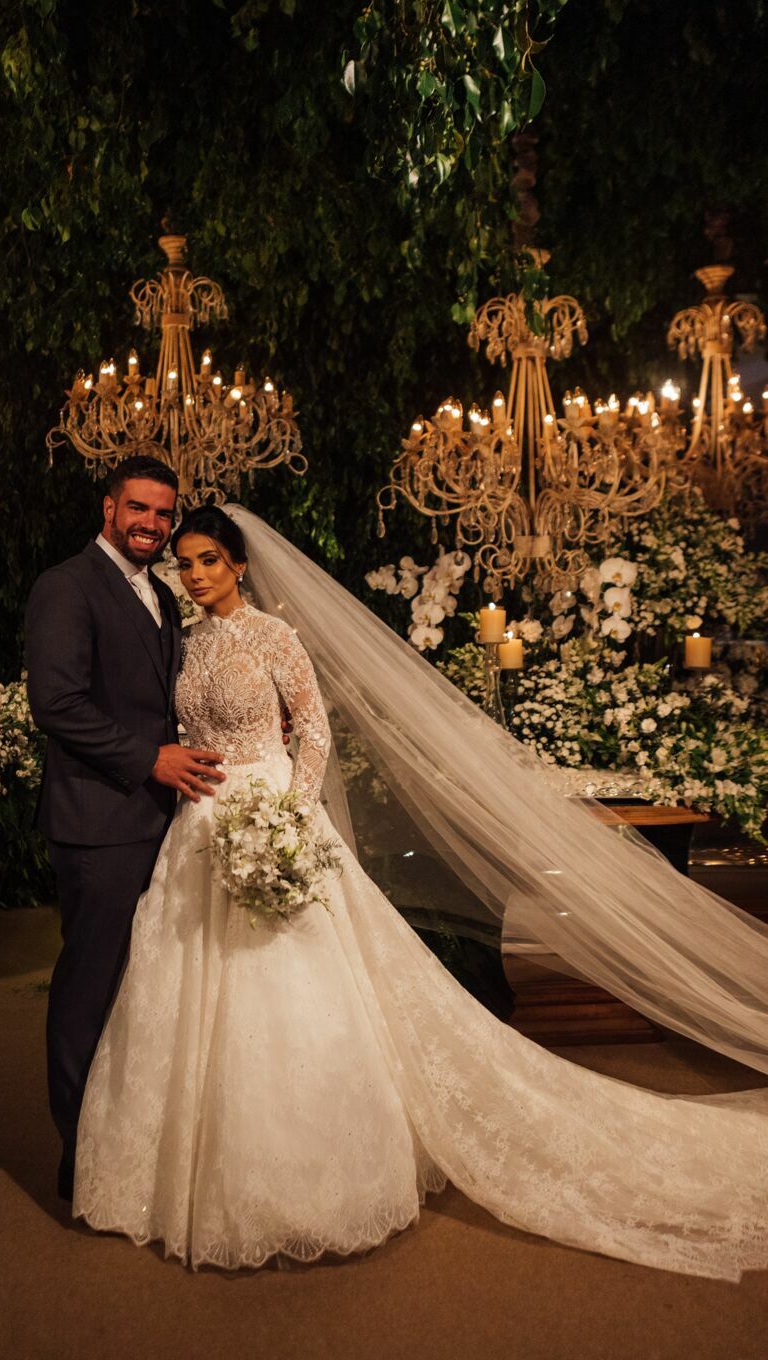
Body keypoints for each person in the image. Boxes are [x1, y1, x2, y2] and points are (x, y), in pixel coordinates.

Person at [72, 504, 768, 1279]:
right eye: (185, 563)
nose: (195, 575)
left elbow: (315, 732)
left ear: (238, 563)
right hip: (196, 824)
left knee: (291, 990)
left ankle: (310, 1183)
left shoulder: (274, 636)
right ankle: (185, 1179)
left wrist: (287, 821)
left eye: (208, 560)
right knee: (182, 981)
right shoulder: (182, 643)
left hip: (272, 812)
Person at [24, 456, 226, 1201]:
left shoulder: (162, 598)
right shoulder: (66, 586)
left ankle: (132, 1143)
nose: (150, 524)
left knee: (146, 986)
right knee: (89, 987)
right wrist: (150, 759)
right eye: (137, 509)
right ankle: (79, 1162)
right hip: (99, 823)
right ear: (108, 508)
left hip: (159, 823)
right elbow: (56, 703)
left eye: (163, 514)